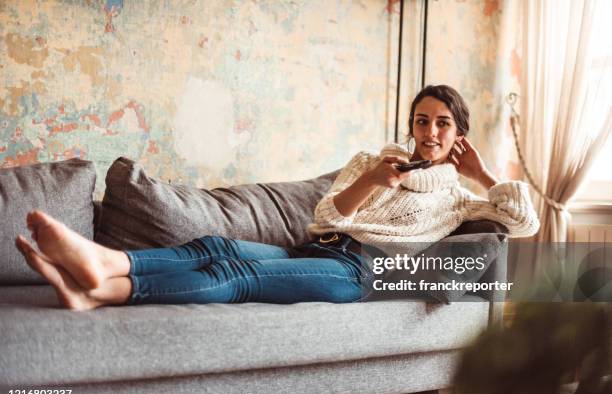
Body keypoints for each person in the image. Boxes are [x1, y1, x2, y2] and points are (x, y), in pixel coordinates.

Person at [15, 85, 540, 311]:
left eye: (443, 124)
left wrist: (481, 173)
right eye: (422, 120)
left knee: (234, 278)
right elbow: (326, 215)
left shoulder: (459, 201)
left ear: (458, 135)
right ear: (410, 127)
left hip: (361, 274)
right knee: (214, 248)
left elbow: (525, 222)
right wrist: (375, 182)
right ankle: (106, 262)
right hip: (320, 249)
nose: (430, 130)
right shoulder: (372, 163)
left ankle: (103, 289)